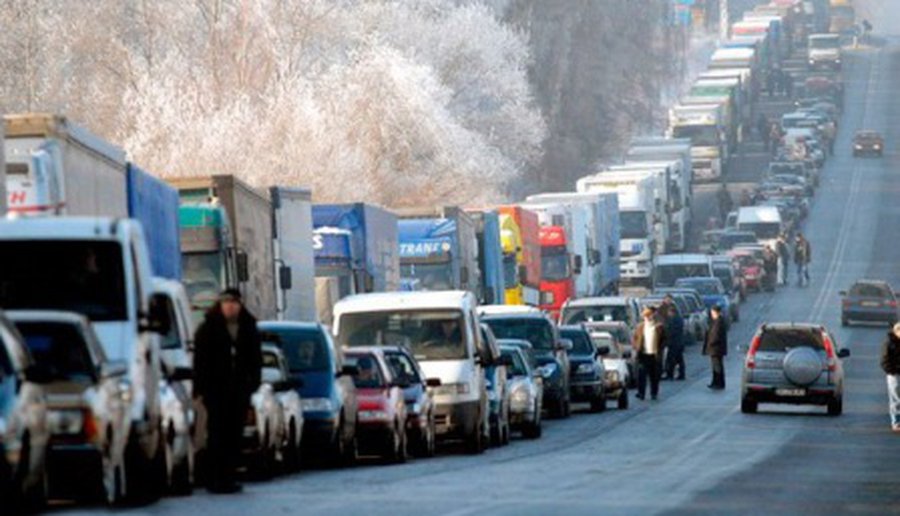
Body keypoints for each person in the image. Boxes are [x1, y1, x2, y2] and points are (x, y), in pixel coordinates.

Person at [194, 289, 262, 494]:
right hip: (215, 392)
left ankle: (229, 477)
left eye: (234, 303)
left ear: (240, 305)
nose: (230, 307)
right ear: (220, 305)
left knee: (234, 436)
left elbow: (255, 359)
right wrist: (201, 389)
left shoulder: (248, 327)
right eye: (226, 303)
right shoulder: (208, 329)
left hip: (239, 391)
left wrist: (253, 384)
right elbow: (200, 362)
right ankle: (215, 478)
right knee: (216, 435)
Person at [632, 306, 667, 400]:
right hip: (643, 355)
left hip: (654, 355)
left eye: (649, 315)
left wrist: (660, 349)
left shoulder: (659, 327)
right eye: (645, 316)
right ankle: (641, 393)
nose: (647, 317)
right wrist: (636, 347)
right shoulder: (640, 327)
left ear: (652, 316)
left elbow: (664, 339)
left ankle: (654, 393)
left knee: (654, 376)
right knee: (641, 375)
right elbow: (635, 338)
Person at [880, 323, 900, 432]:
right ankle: (896, 422)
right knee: (896, 398)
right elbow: (884, 360)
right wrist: (891, 371)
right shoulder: (889, 343)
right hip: (894, 374)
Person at [703, 305, 728, 390]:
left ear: (715, 312)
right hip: (715, 348)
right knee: (715, 366)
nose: (711, 314)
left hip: (716, 348)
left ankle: (719, 383)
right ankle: (715, 382)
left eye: (712, 312)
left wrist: (711, 343)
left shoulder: (719, 321)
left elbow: (715, 335)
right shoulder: (716, 321)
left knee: (717, 366)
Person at [662, 303, 686, 381]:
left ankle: (670, 374)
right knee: (678, 359)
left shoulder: (675, 320)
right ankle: (680, 374)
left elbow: (672, 331)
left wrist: (666, 335)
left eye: (669, 312)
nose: (668, 314)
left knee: (672, 359)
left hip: (675, 342)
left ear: (672, 312)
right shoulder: (677, 319)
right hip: (677, 342)